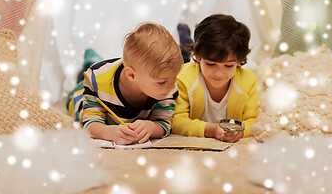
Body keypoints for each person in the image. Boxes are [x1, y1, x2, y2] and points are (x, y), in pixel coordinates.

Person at [67, 22, 184, 145]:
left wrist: (151, 127)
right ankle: (90, 58)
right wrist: (111, 132)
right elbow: (90, 125)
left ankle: (93, 60)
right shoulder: (96, 80)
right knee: (83, 78)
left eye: (175, 78)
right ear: (132, 75)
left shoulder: (168, 86)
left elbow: (164, 123)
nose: (172, 87)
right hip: (82, 93)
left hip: (114, 72)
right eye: (161, 82)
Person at [171, 14, 259, 143]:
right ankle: (185, 41)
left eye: (228, 65)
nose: (219, 73)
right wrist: (210, 130)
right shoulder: (183, 77)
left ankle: (187, 41)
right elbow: (176, 121)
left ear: (239, 61)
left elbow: (254, 121)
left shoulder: (248, 81)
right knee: (179, 57)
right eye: (211, 64)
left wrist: (241, 132)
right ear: (198, 56)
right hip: (189, 67)